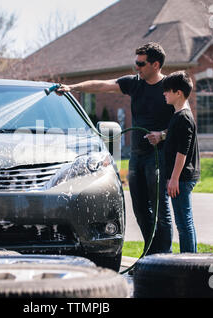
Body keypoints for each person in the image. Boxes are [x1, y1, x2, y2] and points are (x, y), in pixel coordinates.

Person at [57, 42, 174, 255]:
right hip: (137, 157)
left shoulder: (170, 87)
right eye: (135, 62)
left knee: (160, 211)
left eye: (141, 63)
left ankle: (164, 257)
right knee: (140, 210)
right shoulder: (134, 84)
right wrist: (72, 88)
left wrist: (162, 134)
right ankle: (151, 255)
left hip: (158, 157)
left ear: (156, 64)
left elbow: (184, 122)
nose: (136, 67)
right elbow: (102, 85)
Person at [162, 71, 200, 253]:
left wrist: (174, 178)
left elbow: (182, 152)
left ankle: (189, 261)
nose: (164, 93)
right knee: (185, 222)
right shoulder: (180, 115)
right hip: (180, 177)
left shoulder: (184, 117)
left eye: (167, 90)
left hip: (182, 178)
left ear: (178, 93)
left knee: (184, 224)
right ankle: (190, 259)